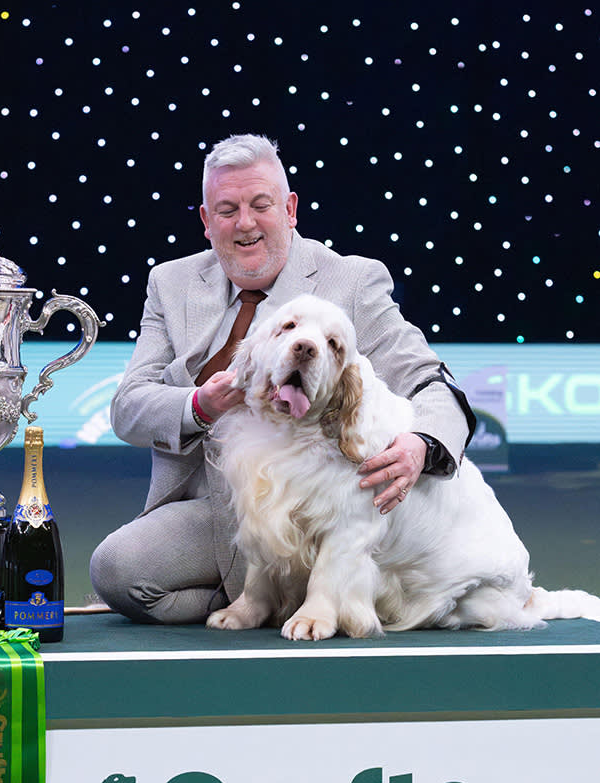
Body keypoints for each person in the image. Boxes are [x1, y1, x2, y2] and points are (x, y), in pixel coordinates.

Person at [90, 134, 474, 624]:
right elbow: (128, 408)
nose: (245, 223)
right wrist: (200, 405)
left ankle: (310, 587)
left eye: (260, 205)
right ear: (207, 222)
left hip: (318, 508)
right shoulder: (171, 283)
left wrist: (422, 444)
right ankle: (266, 596)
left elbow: (429, 381)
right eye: (226, 209)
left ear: (290, 209)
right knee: (117, 571)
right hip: (216, 508)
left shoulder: (352, 281)